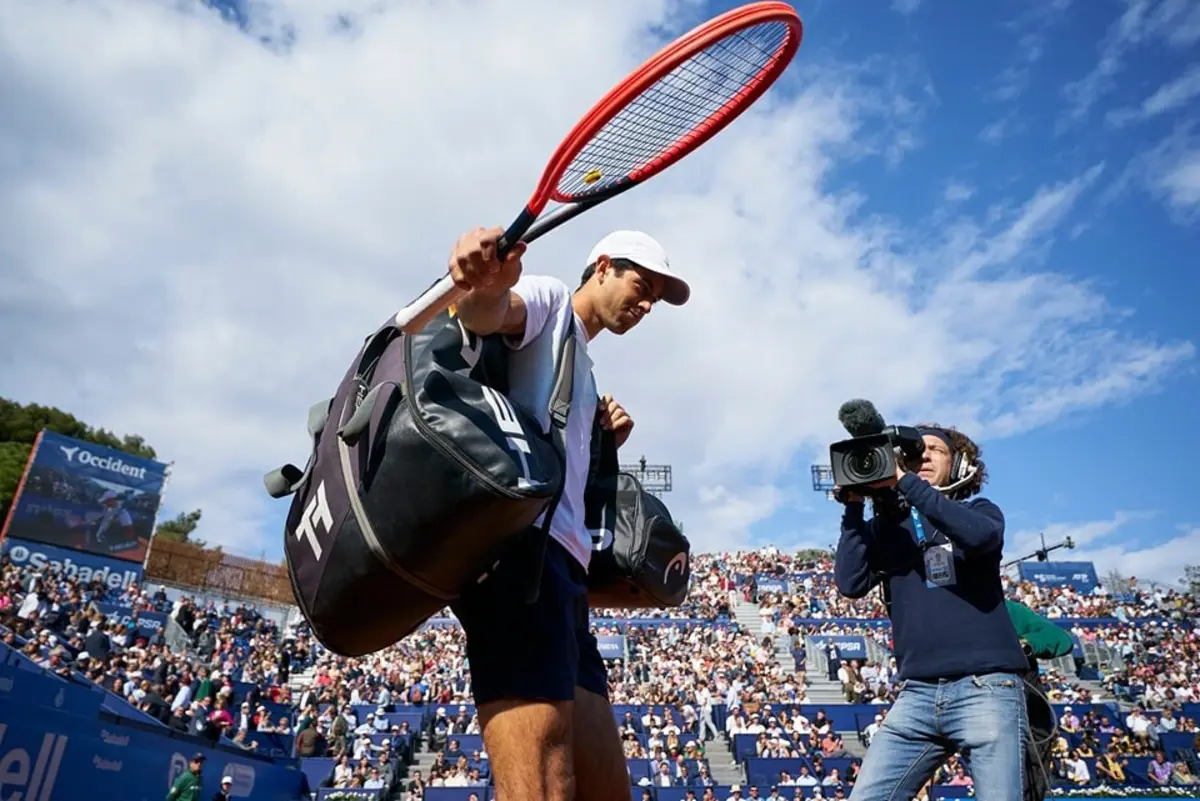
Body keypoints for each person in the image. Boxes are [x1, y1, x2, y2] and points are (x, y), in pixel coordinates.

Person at [444, 225, 690, 801]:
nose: (647, 302)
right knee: (543, 788)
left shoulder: (583, 363)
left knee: (604, 789)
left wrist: (605, 447)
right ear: (602, 266)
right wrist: (480, 279)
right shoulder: (552, 300)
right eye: (642, 283)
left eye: (655, 295)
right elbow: (483, 315)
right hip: (522, 559)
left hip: (565, 578)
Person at [833, 424, 1030, 801]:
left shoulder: (978, 511)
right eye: (913, 452)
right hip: (917, 694)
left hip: (985, 687)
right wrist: (854, 508)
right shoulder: (889, 529)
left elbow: (979, 537)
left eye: (934, 450)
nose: (922, 456)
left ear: (959, 464)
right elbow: (850, 582)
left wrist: (905, 482)